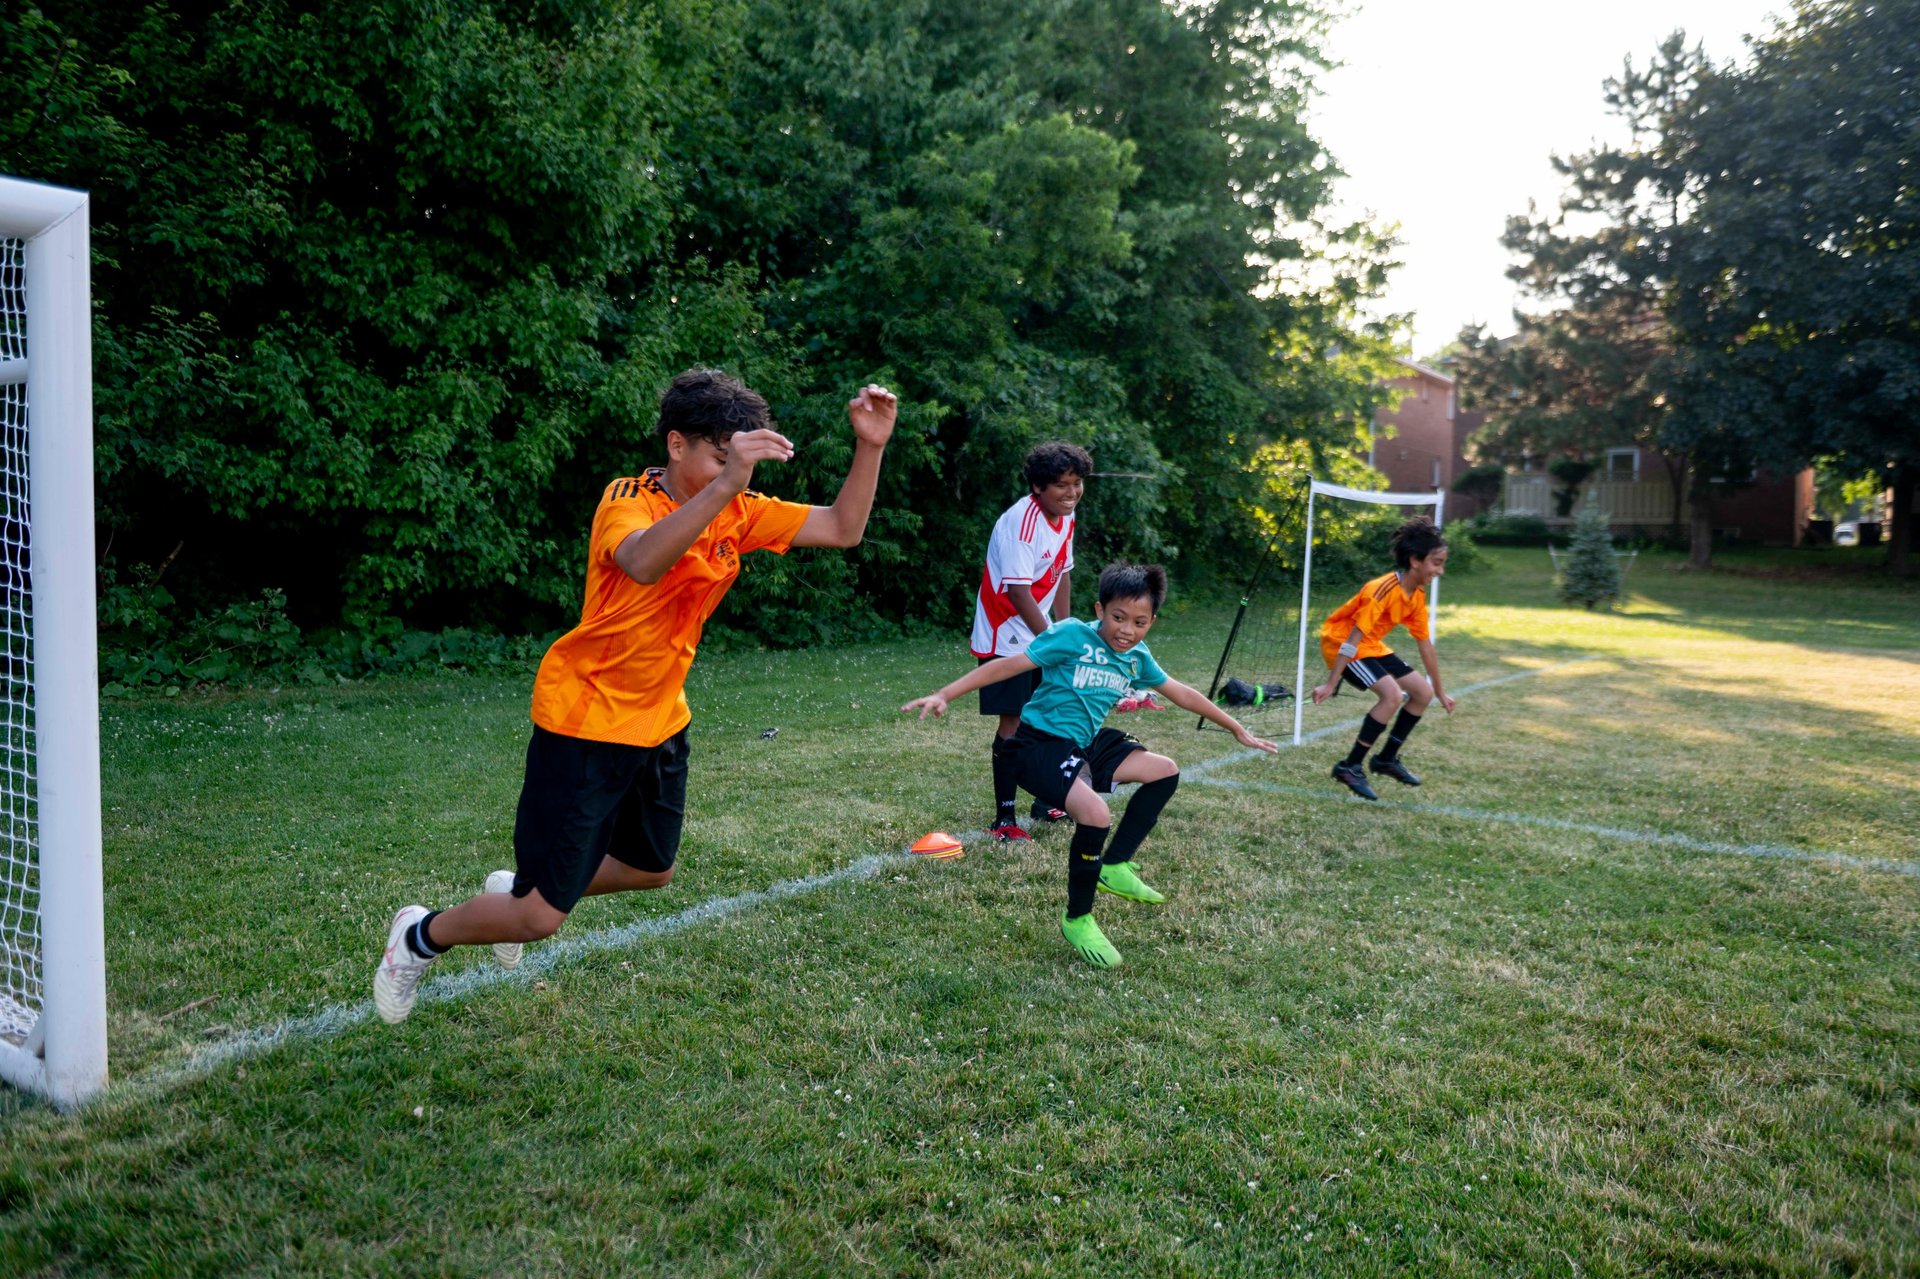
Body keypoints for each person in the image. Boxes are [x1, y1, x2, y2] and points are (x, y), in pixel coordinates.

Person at [374, 368, 898, 1024]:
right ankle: (420, 935)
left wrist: (870, 445)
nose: (734, 473)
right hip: (584, 722)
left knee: (651, 868)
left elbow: (843, 526)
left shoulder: (738, 509)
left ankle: (519, 889)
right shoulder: (628, 498)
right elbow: (645, 562)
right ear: (676, 445)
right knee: (539, 919)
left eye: (738, 460)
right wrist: (728, 485)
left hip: (658, 723)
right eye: (720, 457)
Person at [905, 563, 1277, 969]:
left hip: (1082, 743)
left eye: (1139, 622)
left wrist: (1236, 726)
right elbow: (1007, 666)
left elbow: (1182, 693)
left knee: (1165, 770)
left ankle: (1114, 864)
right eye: (1118, 618)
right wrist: (945, 693)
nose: (1127, 630)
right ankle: (1078, 918)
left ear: (1152, 621)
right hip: (1036, 744)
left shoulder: (1137, 657)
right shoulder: (1072, 636)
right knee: (1096, 814)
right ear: (1100, 610)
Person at [970, 442, 1092, 842]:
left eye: (1077, 484)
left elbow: (1062, 574)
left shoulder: (1065, 517)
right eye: (1061, 485)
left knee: (1051, 717)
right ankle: (1004, 819)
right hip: (1004, 636)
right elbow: (1018, 593)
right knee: (1015, 722)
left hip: (1037, 632)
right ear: (1038, 486)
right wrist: (1054, 640)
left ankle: (1045, 801)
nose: (1071, 493)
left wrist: (1067, 626)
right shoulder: (1022, 524)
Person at [1309, 516, 1455, 801]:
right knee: (1391, 695)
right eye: (1436, 562)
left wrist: (1439, 690)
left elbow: (1426, 646)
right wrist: (1330, 683)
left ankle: (1385, 759)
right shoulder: (1381, 590)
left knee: (1421, 693)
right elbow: (1352, 640)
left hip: (1371, 645)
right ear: (1415, 560)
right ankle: (1349, 766)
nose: (1440, 570)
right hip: (1341, 643)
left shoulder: (1415, 595)